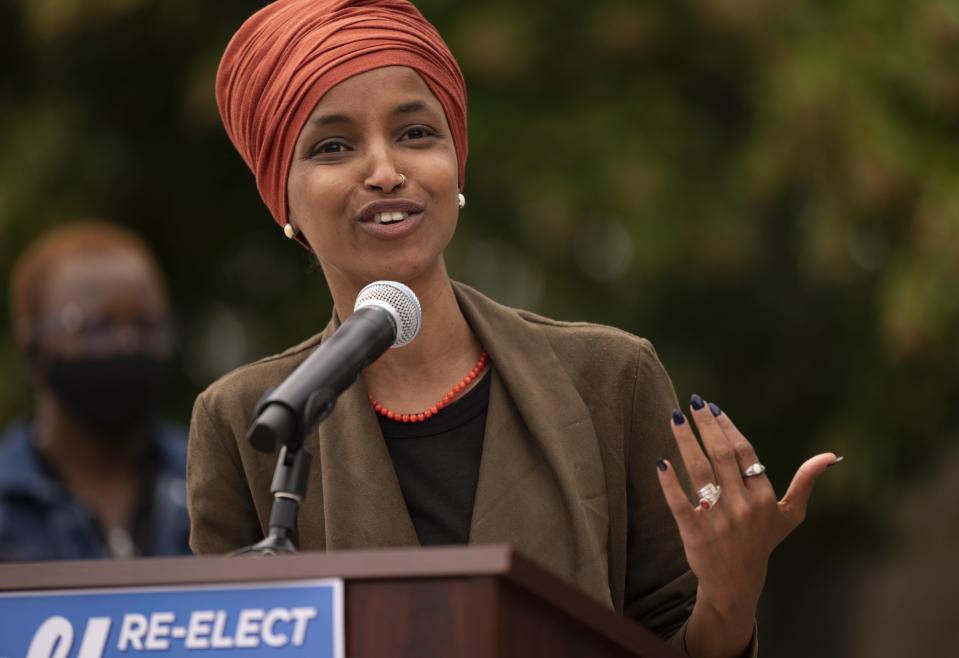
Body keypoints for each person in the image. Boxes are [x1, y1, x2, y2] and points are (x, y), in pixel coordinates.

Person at [188, 1, 840, 655]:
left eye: (416, 134)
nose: (386, 172)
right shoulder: (250, 420)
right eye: (333, 146)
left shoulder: (609, 377)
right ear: (282, 196)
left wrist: (728, 596)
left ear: (456, 164)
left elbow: (672, 632)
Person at [0, 221, 191, 561]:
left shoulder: (213, 484)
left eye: (147, 324)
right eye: (98, 326)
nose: (128, 343)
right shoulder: (9, 504)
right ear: (32, 345)